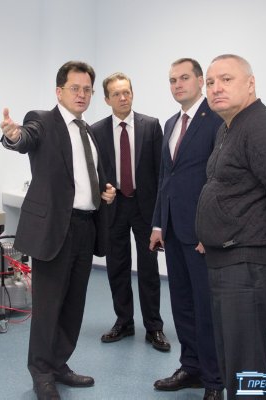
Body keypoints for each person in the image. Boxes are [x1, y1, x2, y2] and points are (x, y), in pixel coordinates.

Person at [0, 60, 116, 400]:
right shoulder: (43, 121)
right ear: (59, 91)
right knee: (49, 306)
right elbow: (25, 137)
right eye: (74, 88)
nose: (81, 94)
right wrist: (13, 136)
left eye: (87, 90)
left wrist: (104, 190)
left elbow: (85, 176)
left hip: (85, 227)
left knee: (73, 305)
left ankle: (59, 363)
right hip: (54, 230)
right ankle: (41, 372)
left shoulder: (87, 130)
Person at [196, 54, 266, 400]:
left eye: (226, 79)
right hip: (227, 260)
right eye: (210, 82)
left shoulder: (261, 128)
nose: (216, 88)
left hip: (248, 266)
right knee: (233, 362)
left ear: (250, 84)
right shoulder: (228, 128)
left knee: (246, 368)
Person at [149, 58, 224, 400]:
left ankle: (213, 379)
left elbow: (221, 181)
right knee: (181, 303)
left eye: (183, 78)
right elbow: (166, 178)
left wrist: (211, 230)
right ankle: (190, 367)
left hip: (201, 234)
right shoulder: (171, 123)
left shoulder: (217, 120)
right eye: (172, 80)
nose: (177, 85)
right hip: (174, 230)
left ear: (200, 81)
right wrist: (158, 223)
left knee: (206, 307)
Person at [92, 73, 170, 351]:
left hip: (144, 206)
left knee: (149, 268)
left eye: (127, 92)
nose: (123, 97)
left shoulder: (151, 126)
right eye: (116, 94)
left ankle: (154, 327)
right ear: (107, 99)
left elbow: (162, 172)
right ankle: (124, 322)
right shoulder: (97, 130)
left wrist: (161, 215)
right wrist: (102, 190)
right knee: (117, 267)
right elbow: (94, 171)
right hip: (114, 207)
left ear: (132, 93)